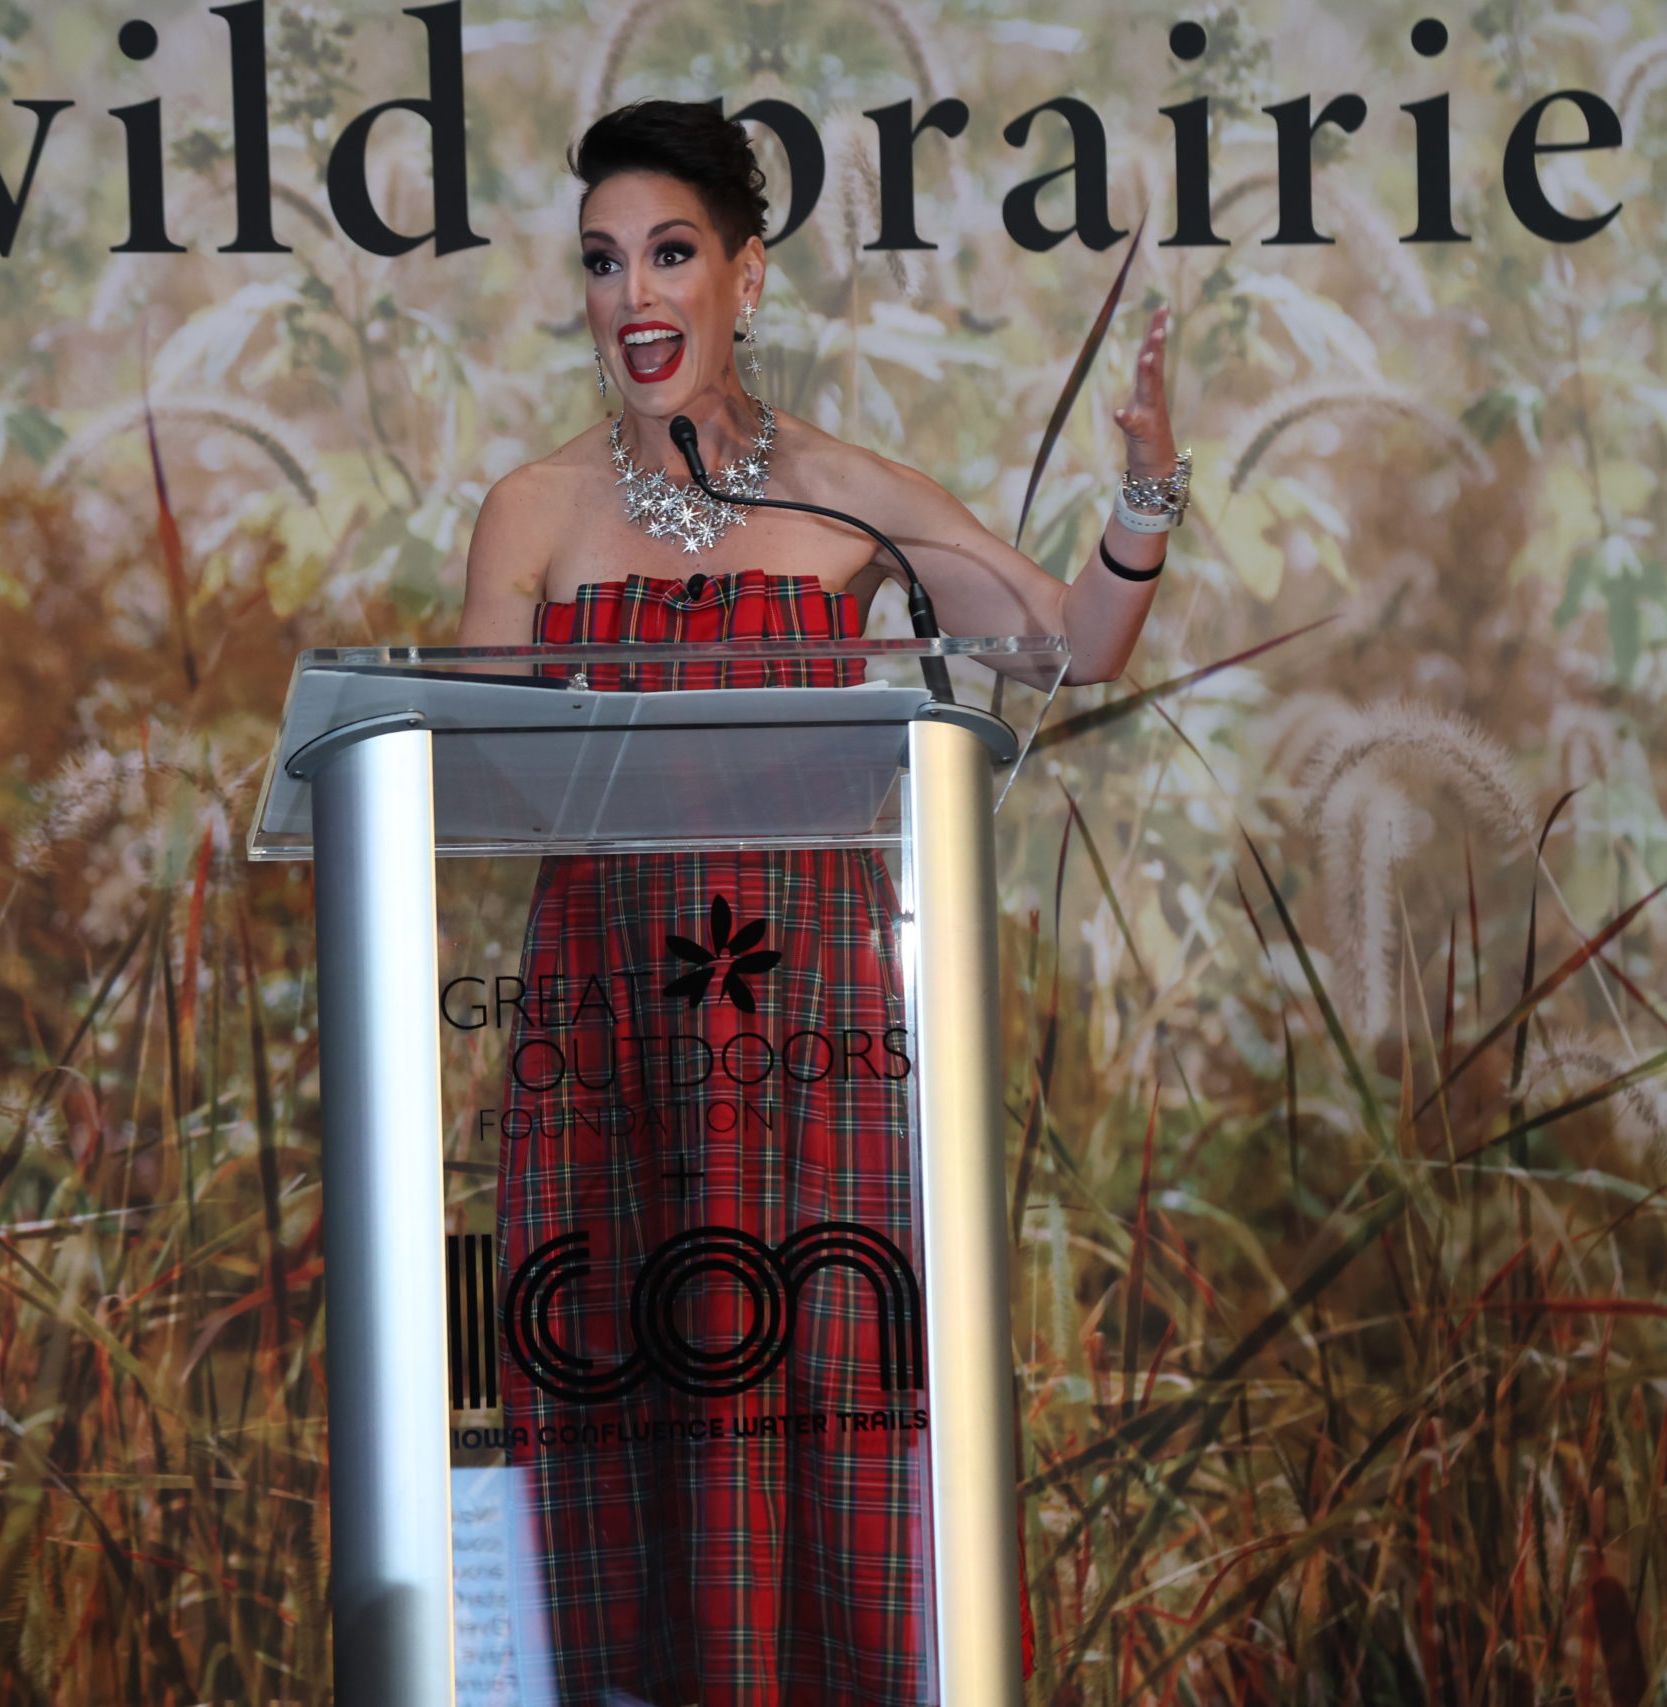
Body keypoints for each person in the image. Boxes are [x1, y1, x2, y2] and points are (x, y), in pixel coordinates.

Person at [456, 100, 1182, 1707]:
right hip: (610, 1031)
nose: (634, 297)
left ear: (746, 276)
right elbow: (492, 777)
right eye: (601, 263)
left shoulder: (848, 498)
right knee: (612, 1410)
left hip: (808, 1038)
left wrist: (1145, 497)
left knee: (824, 1393)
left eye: (669, 254)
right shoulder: (532, 511)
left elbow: (1073, 644)